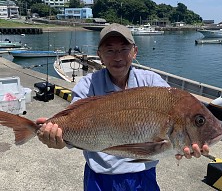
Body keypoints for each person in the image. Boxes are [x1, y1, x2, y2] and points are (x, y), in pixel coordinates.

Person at [37, 23, 209, 191]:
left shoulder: (152, 83)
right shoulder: (87, 85)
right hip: (99, 178)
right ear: (100, 55)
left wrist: (179, 149)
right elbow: (73, 128)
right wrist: (57, 139)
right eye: (109, 50)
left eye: (124, 49)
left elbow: (170, 134)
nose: (117, 57)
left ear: (135, 51)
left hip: (143, 176)